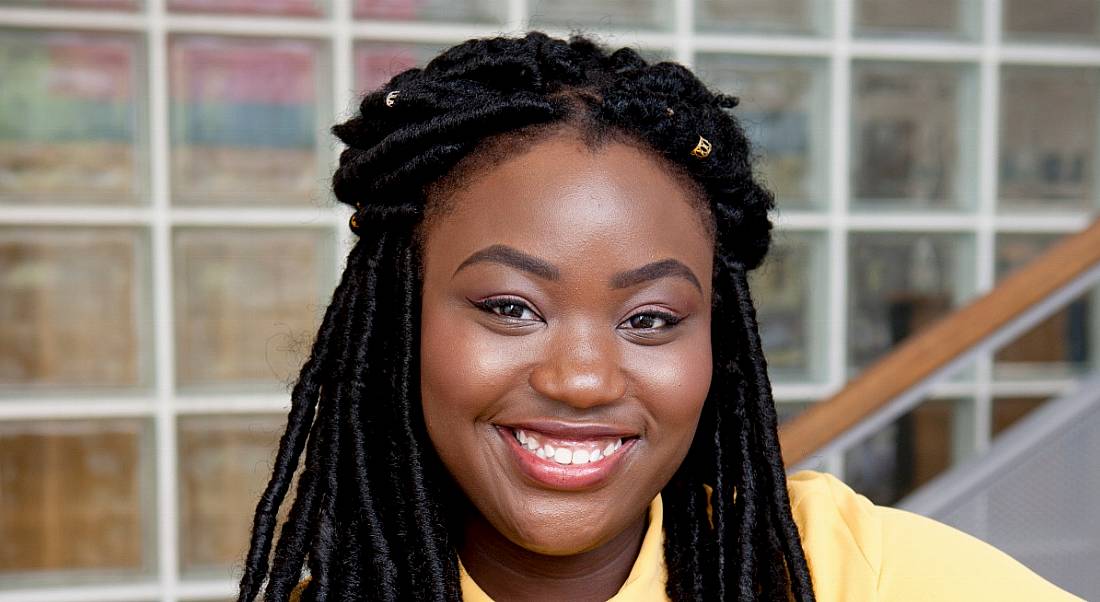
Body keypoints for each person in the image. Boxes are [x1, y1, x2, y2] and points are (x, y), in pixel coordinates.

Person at [236, 31, 1081, 602]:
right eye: (510, 307)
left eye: (649, 319)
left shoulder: (843, 571)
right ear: (401, 323)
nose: (583, 379)